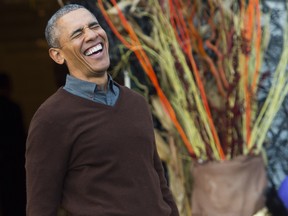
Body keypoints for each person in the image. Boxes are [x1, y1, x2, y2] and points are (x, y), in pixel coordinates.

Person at [25, 4, 179, 216]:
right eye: (77, 33)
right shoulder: (50, 119)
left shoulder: (136, 103)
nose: (91, 35)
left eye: (94, 26)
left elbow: (159, 183)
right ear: (57, 55)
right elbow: (41, 207)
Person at [0, 72, 26, 215]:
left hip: (4, 160)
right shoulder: (13, 108)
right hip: (15, 160)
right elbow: (19, 136)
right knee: (17, 198)